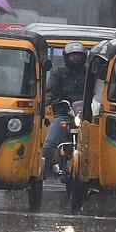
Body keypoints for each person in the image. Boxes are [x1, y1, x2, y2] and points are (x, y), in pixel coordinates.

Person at [42, 41, 87, 178]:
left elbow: (97, 90)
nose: (76, 58)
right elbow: (50, 90)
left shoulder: (89, 73)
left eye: (79, 55)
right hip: (64, 115)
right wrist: (50, 99)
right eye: (73, 55)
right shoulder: (58, 72)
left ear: (84, 57)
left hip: (86, 116)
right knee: (49, 144)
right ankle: (43, 173)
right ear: (66, 57)